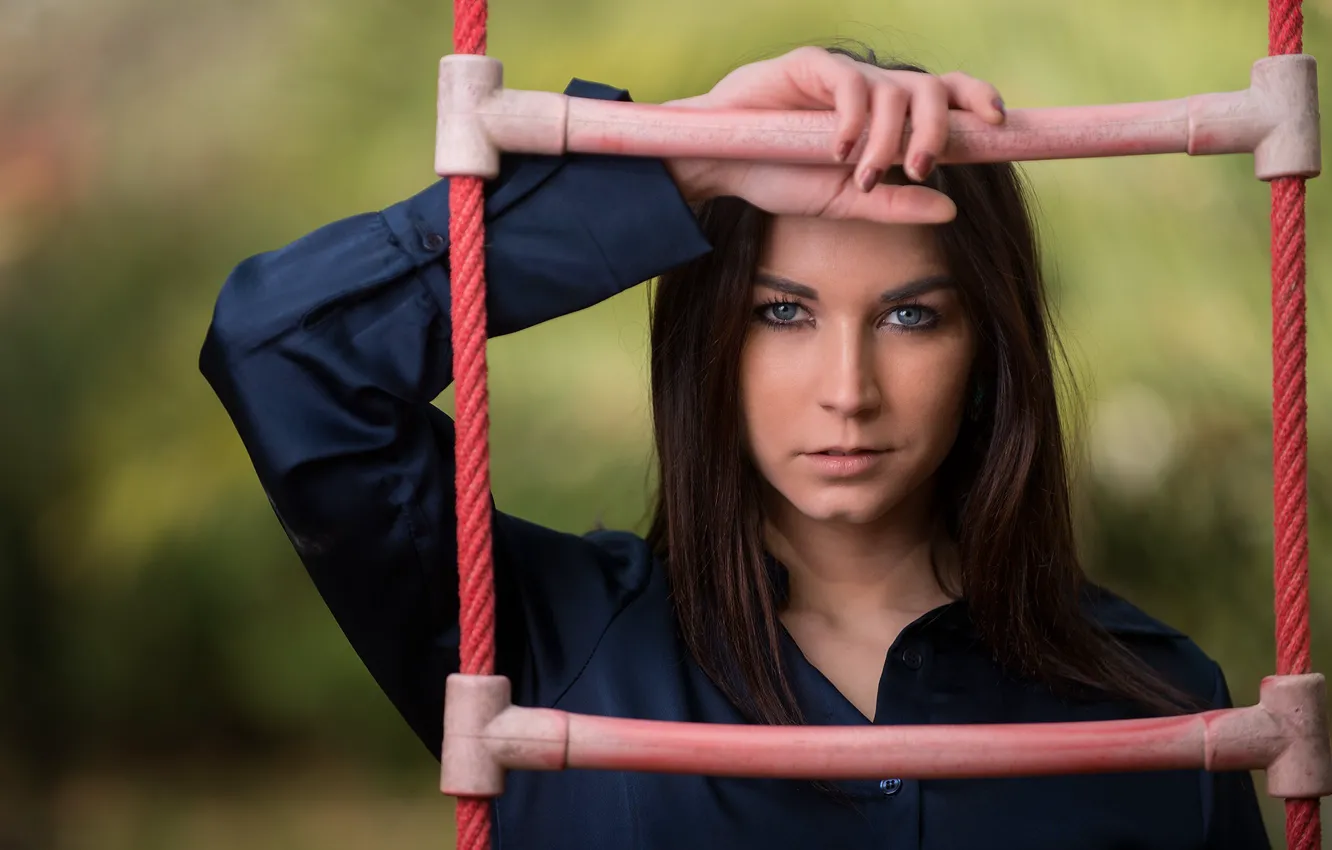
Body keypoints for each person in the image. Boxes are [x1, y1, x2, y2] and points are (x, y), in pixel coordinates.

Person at [200, 44, 1270, 849]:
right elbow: (284, 356)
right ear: (708, 336)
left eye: (910, 317)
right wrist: (680, 166)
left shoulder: (1164, 712)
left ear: (987, 347)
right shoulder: (540, 644)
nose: (846, 392)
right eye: (782, 314)